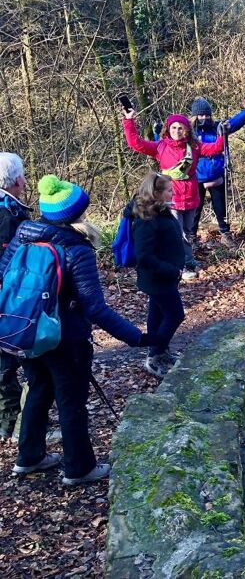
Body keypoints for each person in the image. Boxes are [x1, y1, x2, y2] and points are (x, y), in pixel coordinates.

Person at [0, 175, 144, 485]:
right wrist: (137, 337)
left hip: (26, 331)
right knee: (71, 400)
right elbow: (95, 309)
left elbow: (3, 276)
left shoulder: (23, 234)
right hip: (66, 339)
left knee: (38, 388)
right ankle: (79, 468)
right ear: (75, 214)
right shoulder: (77, 249)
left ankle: (30, 457)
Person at [123, 106, 226, 279]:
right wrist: (129, 121)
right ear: (168, 130)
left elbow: (215, 148)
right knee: (176, 232)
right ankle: (181, 264)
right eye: (173, 128)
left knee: (188, 231)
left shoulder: (194, 147)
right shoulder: (160, 147)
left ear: (187, 130)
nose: (177, 131)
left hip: (192, 194)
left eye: (180, 128)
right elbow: (136, 144)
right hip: (171, 196)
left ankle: (189, 259)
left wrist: (223, 133)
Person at [130, 173, 186, 378]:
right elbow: (144, 256)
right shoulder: (147, 219)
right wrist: (171, 270)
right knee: (175, 315)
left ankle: (161, 351)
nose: (173, 193)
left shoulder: (160, 211)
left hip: (165, 277)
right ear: (156, 193)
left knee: (157, 314)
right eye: (169, 190)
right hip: (158, 279)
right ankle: (154, 356)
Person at [188, 97, 245, 247]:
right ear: (195, 116)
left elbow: (235, 122)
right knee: (195, 208)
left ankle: (225, 234)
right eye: (201, 115)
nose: (205, 118)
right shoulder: (189, 133)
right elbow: (169, 141)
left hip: (216, 174)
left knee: (220, 206)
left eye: (207, 115)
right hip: (196, 176)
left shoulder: (218, 128)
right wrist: (157, 134)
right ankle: (191, 237)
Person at [0, 152, 30, 440]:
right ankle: (15, 424)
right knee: (10, 359)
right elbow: (13, 261)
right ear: (17, 180)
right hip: (9, 296)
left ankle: (10, 422)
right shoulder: (9, 214)